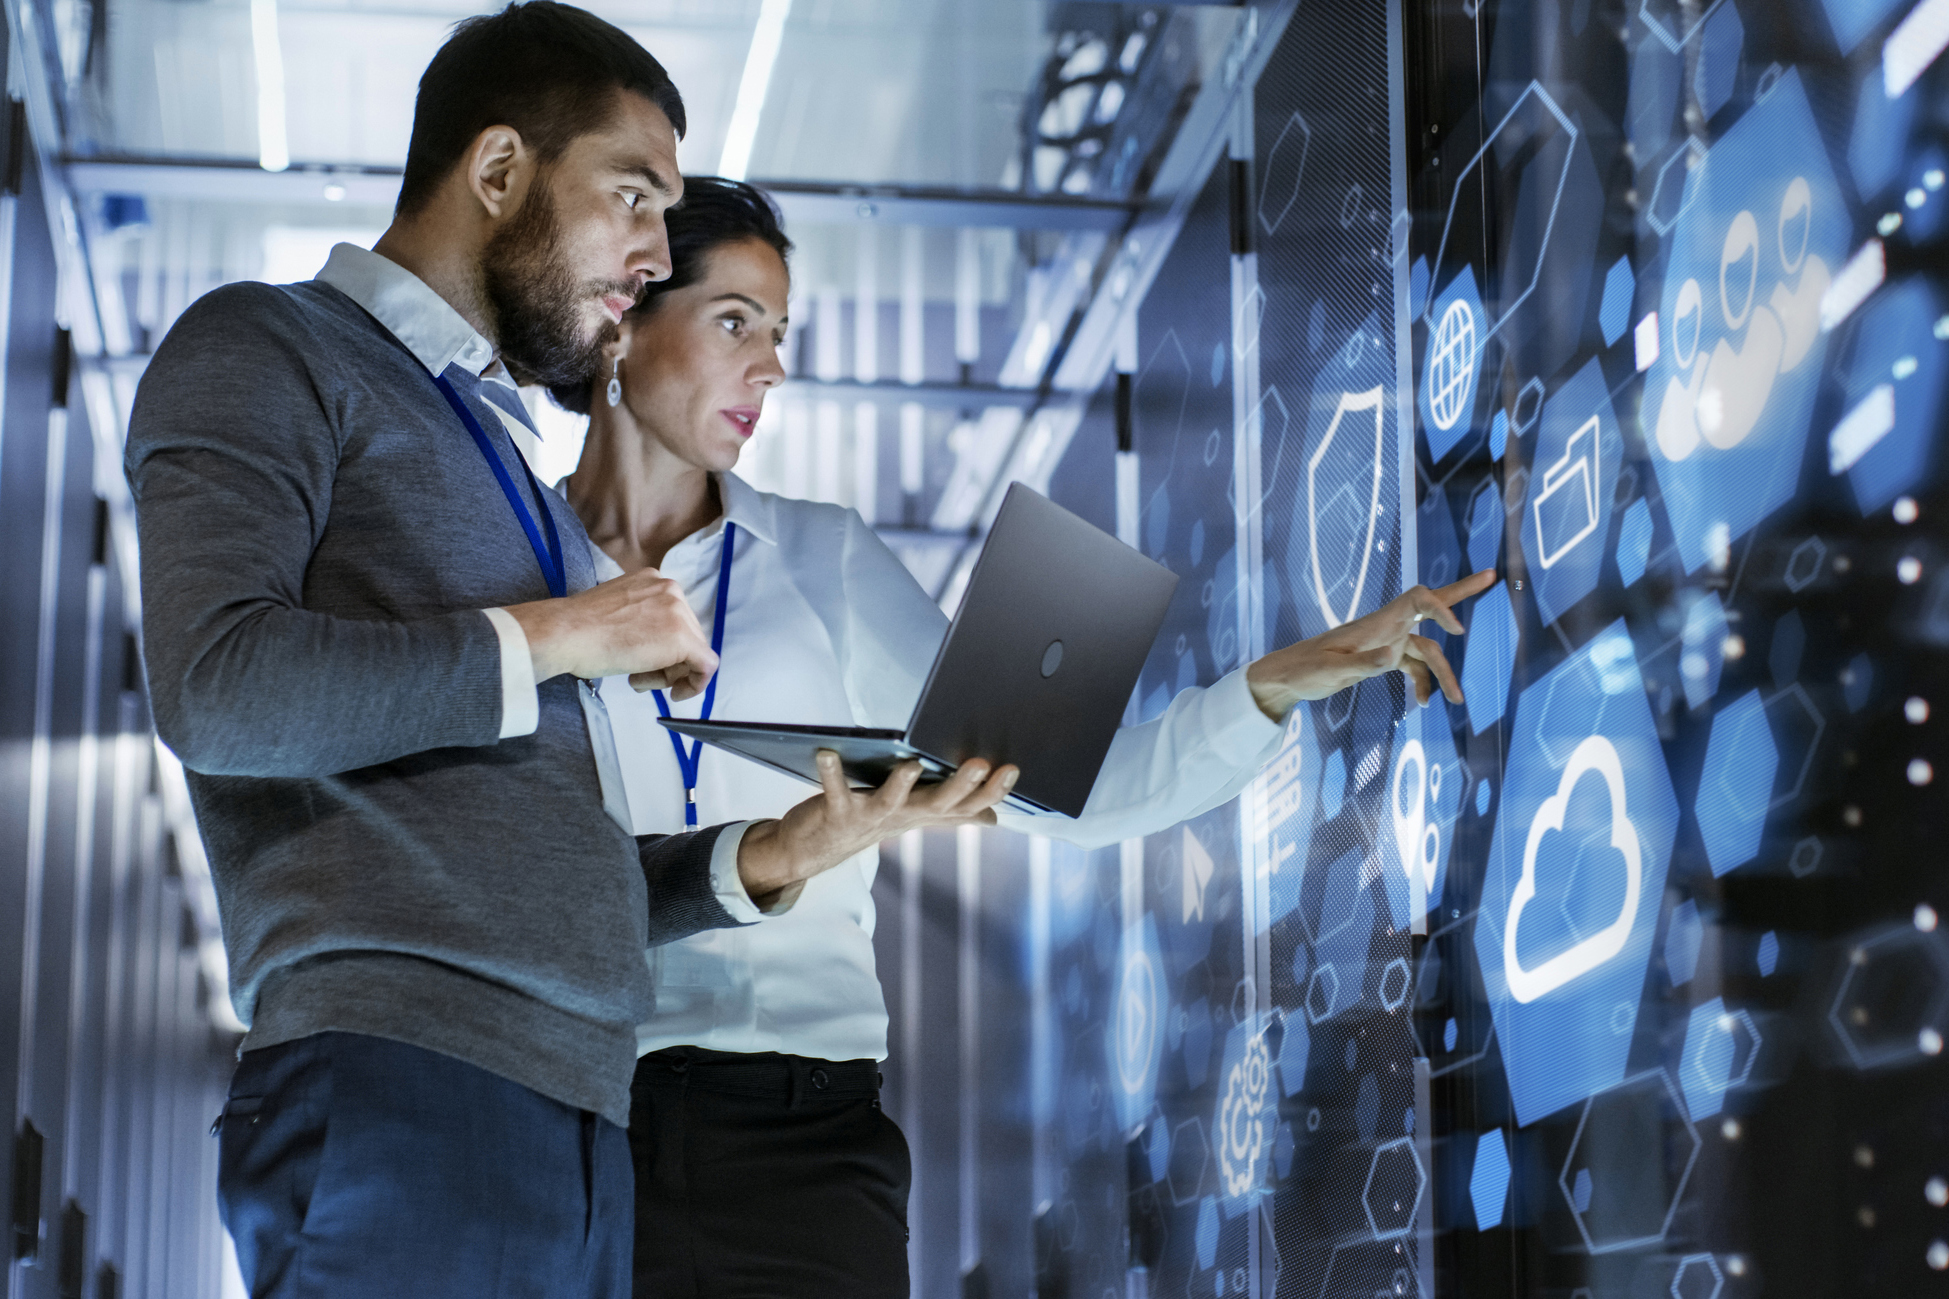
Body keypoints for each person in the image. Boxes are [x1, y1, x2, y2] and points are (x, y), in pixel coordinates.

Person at [124, 11, 1013, 1298]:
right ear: (497, 174)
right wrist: (567, 632)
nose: (651, 253)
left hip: (580, 1120)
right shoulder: (268, 346)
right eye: (632, 198)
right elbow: (219, 688)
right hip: (405, 1082)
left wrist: (775, 857)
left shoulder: (510, 475)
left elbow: (547, 865)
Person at [549, 176, 1494, 1298]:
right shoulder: (513, 575)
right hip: (575, 1121)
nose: (770, 368)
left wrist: (1277, 684)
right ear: (625, 317)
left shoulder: (823, 560)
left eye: (781, 335)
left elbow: (1070, 794)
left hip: (803, 1135)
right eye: (734, 322)